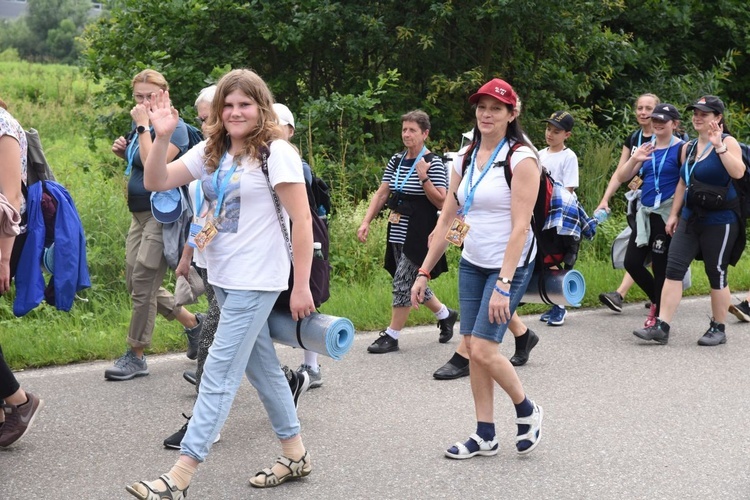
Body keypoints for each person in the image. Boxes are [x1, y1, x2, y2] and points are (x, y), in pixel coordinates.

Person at [126, 68, 315, 498]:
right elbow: (155, 181)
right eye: (228, 105)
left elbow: (302, 220)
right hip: (223, 278)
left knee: (218, 372)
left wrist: (300, 285)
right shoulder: (213, 153)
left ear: (260, 107)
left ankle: (179, 477)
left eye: (244, 104)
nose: (234, 112)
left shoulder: (276, 153)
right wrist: (160, 134)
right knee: (264, 369)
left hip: (257, 280)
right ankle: (296, 453)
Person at [412, 78, 543, 458]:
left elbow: (520, 226)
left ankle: (526, 408)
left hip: (510, 264)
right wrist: (423, 272)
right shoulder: (464, 158)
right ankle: (485, 433)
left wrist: (504, 283)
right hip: (473, 261)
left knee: (484, 350)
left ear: (511, 114)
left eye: (496, 108)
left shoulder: (522, 159)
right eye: (482, 107)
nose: (487, 114)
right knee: (470, 345)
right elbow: (449, 219)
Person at [107, 69, 204, 381]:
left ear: (165, 93)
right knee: (134, 282)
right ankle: (193, 324)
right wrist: (126, 151)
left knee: (144, 283)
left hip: (161, 216)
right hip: (138, 214)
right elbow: (138, 166)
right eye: (139, 96)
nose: (144, 101)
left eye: (150, 95)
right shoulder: (144, 128)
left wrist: (142, 128)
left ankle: (136, 354)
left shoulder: (175, 129)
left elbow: (156, 168)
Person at [634, 95, 745, 346]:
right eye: (695, 112)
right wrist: (673, 214)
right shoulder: (689, 147)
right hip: (690, 217)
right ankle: (661, 326)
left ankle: (718, 327)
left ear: (717, 118)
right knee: (673, 269)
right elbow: (683, 182)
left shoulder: (728, 142)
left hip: (721, 219)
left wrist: (719, 146)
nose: (697, 117)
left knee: (715, 272)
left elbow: (738, 172)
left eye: (704, 114)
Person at [357, 110, 458, 354]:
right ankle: (445, 315)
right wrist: (366, 221)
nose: (406, 134)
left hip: (421, 230)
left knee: (403, 281)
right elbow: (382, 193)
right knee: (408, 279)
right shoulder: (396, 160)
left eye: (412, 130)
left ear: (425, 133)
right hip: (398, 227)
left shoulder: (433, 162)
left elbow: (442, 202)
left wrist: (424, 178)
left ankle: (391, 335)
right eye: (404, 129)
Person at [614, 104, 684, 330]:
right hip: (644, 215)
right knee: (632, 262)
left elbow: (686, 183)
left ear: (674, 124)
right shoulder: (646, 146)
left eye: (663, 119)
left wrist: (678, 214)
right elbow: (623, 176)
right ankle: (658, 299)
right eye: (655, 119)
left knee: (661, 266)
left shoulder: (681, 149)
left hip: (666, 215)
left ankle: (660, 317)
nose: (657, 122)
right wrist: (636, 159)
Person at [0, 97, 44, 448]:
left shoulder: (3, 127)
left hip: (3, 239)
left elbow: (11, 198)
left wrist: (3, 258)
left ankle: (20, 401)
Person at [273, 102, 323, 388]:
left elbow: (301, 214)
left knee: (306, 296)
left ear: (290, 130)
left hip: (300, 238)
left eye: (278, 123)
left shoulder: (295, 163)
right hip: (277, 240)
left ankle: (311, 366)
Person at [597, 93, 660, 313]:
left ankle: (623, 294)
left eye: (648, 108)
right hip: (638, 204)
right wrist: (605, 199)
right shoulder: (633, 138)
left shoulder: (667, 137)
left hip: (660, 204)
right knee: (644, 253)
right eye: (640, 108)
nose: (643, 112)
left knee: (643, 251)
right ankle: (661, 295)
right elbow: (620, 173)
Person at [538, 110, 579, 326]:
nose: (550, 134)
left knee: (555, 258)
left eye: (556, 131)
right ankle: (554, 300)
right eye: (548, 129)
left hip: (560, 216)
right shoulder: (539, 154)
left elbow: (569, 190)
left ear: (567, 135)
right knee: (543, 259)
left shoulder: (568, 156)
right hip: (541, 215)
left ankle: (560, 305)